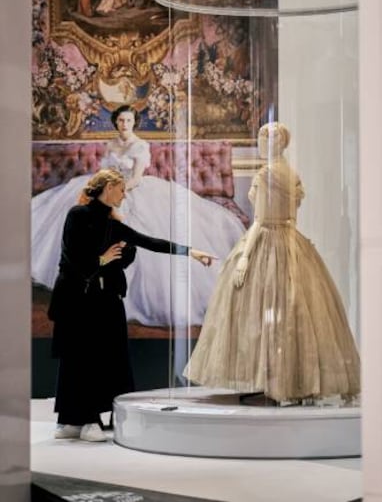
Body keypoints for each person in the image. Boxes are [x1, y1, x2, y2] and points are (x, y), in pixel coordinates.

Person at [183, 122, 360, 404]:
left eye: (268, 139)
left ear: (279, 144)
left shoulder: (267, 174)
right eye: (263, 138)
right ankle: (291, 381)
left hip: (267, 241)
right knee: (293, 313)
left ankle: (276, 382)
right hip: (292, 243)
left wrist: (243, 258)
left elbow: (260, 221)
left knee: (264, 312)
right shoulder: (291, 173)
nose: (264, 144)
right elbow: (291, 218)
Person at [32, 105, 245, 326]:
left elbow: (135, 178)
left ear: (134, 123)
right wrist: (103, 188)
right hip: (109, 187)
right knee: (68, 209)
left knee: (142, 232)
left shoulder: (141, 146)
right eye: (122, 121)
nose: (125, 125)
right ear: (116, 122)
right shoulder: (111, 144)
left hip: (132, 187)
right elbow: (104, 173)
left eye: (129, 121)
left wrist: (116, 191)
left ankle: (117, 291)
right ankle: (86, 284)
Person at [50, 169, 213, 442]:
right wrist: (100, 261)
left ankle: (87, 419)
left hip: (105, 300)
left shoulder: (114, 224)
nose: (125, 195)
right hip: (79, 302)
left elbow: (150, 242)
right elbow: (71, 255)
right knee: (79, 359)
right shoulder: (77, 215)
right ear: (109, 187)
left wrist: (191, 252)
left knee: (106, 359)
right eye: (122, 189)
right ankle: (77, 420)